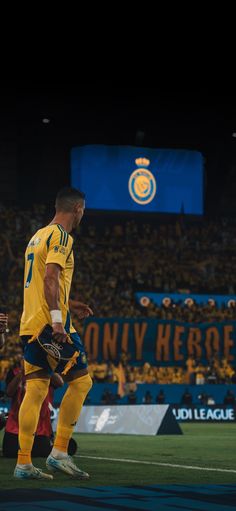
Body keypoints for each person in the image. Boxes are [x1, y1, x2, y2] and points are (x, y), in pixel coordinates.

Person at [15, 187, 93, 480]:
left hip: (30, 324)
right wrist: (60, 320)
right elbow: (50, 276)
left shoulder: (37, 236)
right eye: (83, 210)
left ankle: (23, 463)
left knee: (35, 391)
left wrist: (70, 303)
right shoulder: (62, 236)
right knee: (83, 382)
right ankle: (59, 453)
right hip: (52, 328)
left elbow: (41, 283)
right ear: (78, 208)